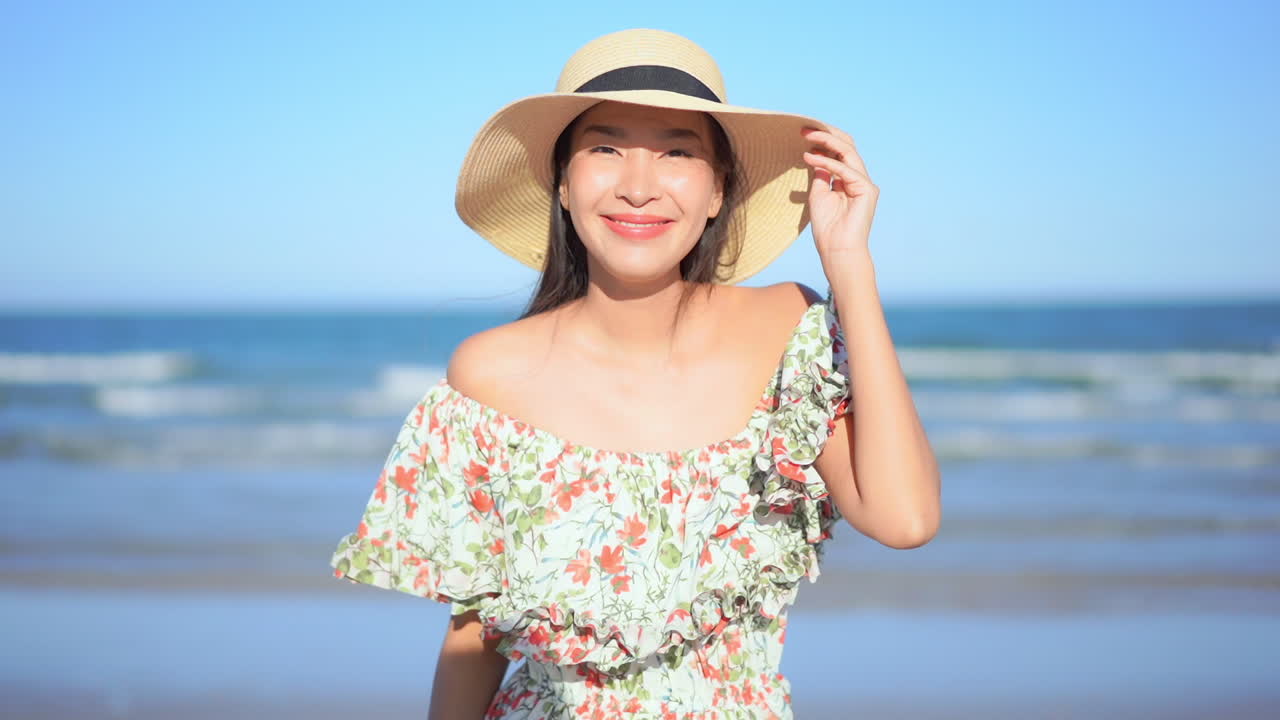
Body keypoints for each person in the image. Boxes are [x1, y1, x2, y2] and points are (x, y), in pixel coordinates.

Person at [330, 28, 940, 720]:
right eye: (606, 149)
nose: (639, 187)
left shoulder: (787, 332)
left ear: (718, 191)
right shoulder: (489, 377)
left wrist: (849, 265)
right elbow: (476, 633)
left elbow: (905, 517)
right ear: (564, 184)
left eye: (678, 152)